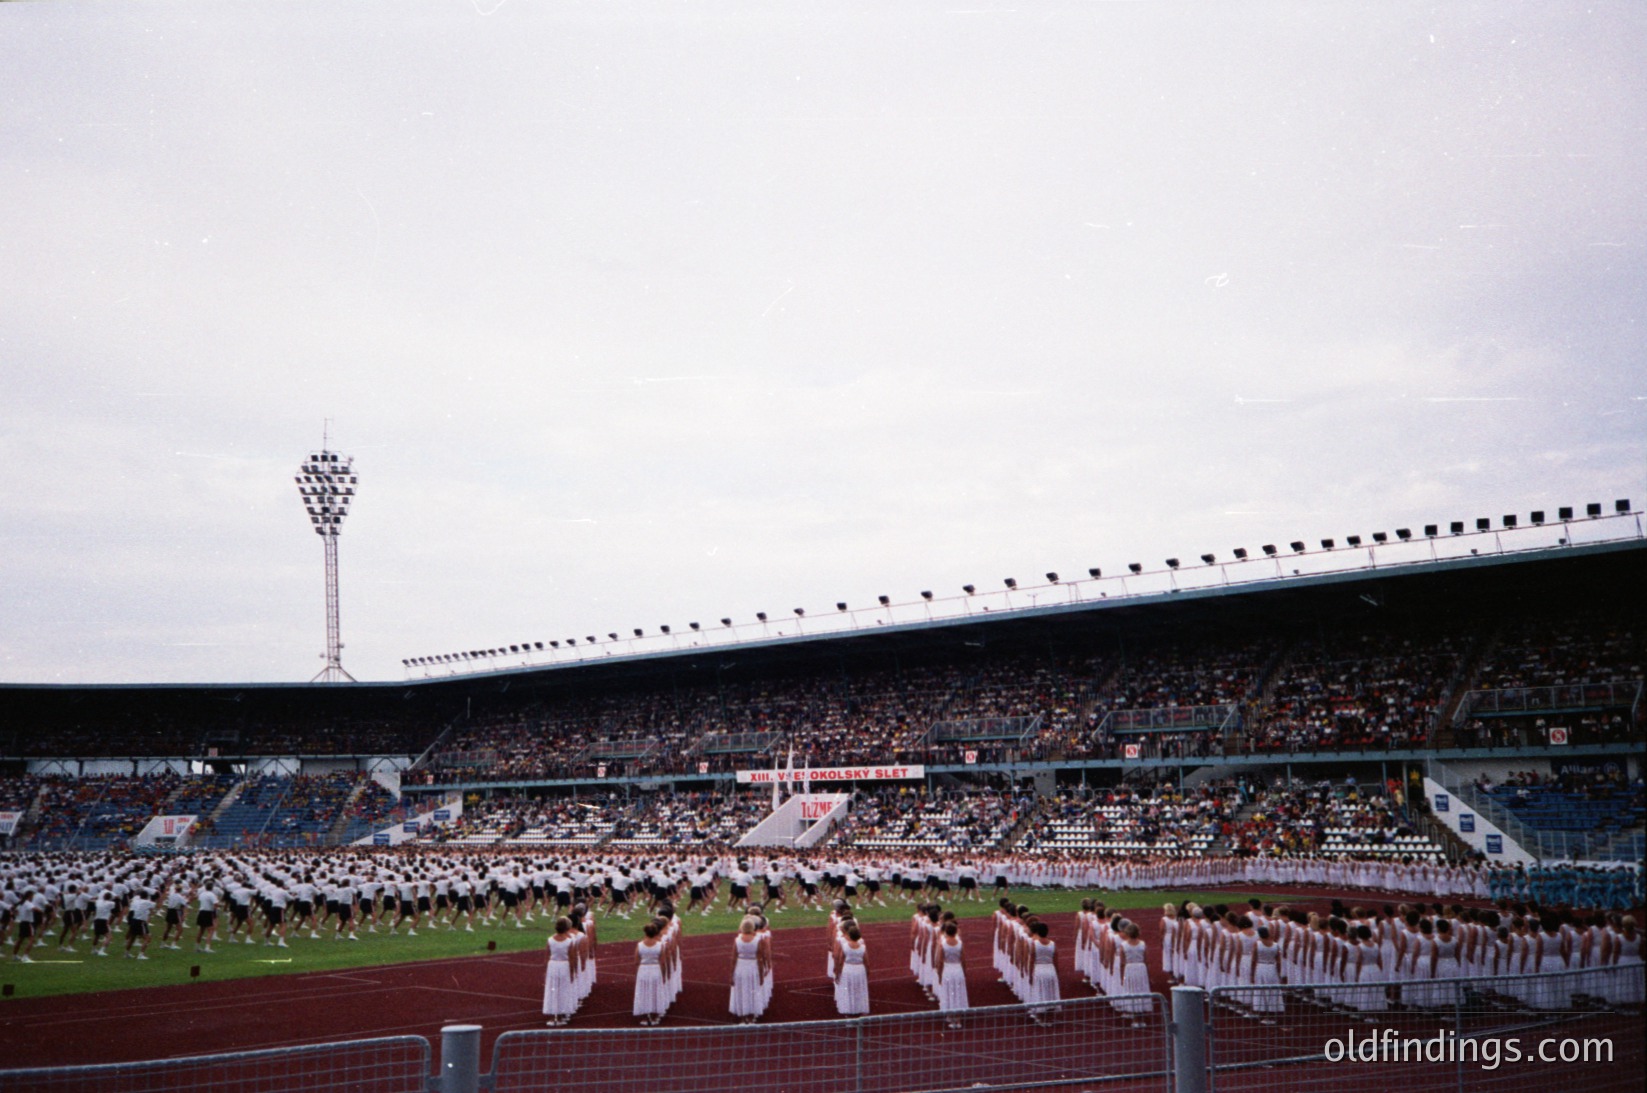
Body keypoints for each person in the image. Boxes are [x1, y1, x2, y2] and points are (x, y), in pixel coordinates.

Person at [729, 915, 768, 1024]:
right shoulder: (757, 940)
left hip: (740, 967)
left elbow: (733, 958)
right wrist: (761, 975)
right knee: (753, 991)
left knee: (741, 991)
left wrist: (731, 975)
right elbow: (760, 959)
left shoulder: (737, 940)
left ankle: (743, 1018)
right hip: (752, 967)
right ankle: (751, 1018)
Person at [543, 917, 579, 1026]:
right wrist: (573, 972)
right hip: (564, 965)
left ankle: (555, 1016)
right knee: (563, 989)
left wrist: (545, 971)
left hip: (553, 965)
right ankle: (561, 1015)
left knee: (553, 989)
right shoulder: (569, 941)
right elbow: (572, 958)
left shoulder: (550, 940)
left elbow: (546, 957)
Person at [633, 922, 668, 1025]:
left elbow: (636, 961)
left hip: (643, 969)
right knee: (655, 991)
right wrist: (663, 974)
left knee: (643, 991)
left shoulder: (639, 945)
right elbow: (662, 962)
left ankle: (645, 1016)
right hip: (655, 969)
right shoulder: (660, 945)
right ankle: (655, 1017)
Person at [936, 921, 969, 1028]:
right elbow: (963, 960)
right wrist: (964, 972)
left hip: (948, 969)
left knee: (949, 992)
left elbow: (940, 961)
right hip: (957, 969)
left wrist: (939, 974)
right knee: (958, 992)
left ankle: (950, 1017)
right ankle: (958, 1019)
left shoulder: (943, 944)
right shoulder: (960, 943)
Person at [835, 924, 870, 1016]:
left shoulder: (845, 946)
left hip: (848, 969)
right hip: (860, 969)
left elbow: (840, 961)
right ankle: (861, 1011)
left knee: (848, 990)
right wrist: (867, 973)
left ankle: (848, 1013)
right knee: (860, 990)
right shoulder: (863, 947)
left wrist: (838, 972)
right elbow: (867, 962)